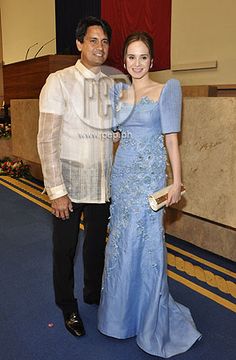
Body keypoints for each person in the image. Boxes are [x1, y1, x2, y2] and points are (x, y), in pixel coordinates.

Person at [98, 32, 201, 357]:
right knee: (120, 244)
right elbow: (117, 133)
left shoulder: (166, 90)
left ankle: (148, 317)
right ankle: (120, 317)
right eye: (131, 57)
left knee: (146, 244)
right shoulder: (118, 93)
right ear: (124, 61)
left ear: (152, 61)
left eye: (143, 57)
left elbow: (172, 139)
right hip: (123, 176)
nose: (137, 63)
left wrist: (176, 182)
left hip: (149, 180)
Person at [37, 16, 113, 337]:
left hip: (101, 186)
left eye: (105, 41)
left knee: (96, 245)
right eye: (93, 40)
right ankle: (68, 306)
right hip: (69, 184)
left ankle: (93, 293)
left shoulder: (111, 85)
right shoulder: (59, 81)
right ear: (80, 44)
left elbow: (113, 135)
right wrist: (56, 190)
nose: (100, 47)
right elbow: (46, 139)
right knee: (65, 249)